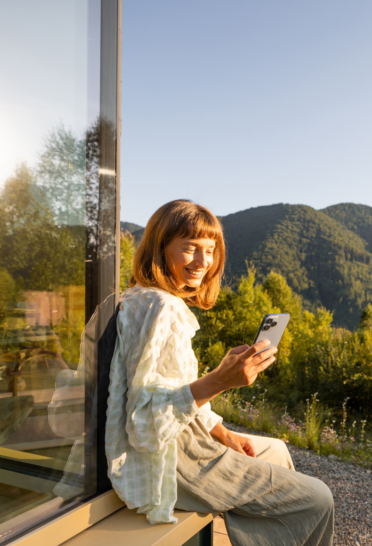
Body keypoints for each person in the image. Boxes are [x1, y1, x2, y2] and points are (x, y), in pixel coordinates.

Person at [105, 200, 334, 546]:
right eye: (190, 249)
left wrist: (223, 432)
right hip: (173, 457)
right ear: (160, 249)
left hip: (186, 435)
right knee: (318, 499)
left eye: (210, 250)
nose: (203, 262)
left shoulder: (144, 298)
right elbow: (143, 423)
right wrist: (220, 380)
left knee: (276, 451)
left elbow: (170, 389)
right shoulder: (162, 308)